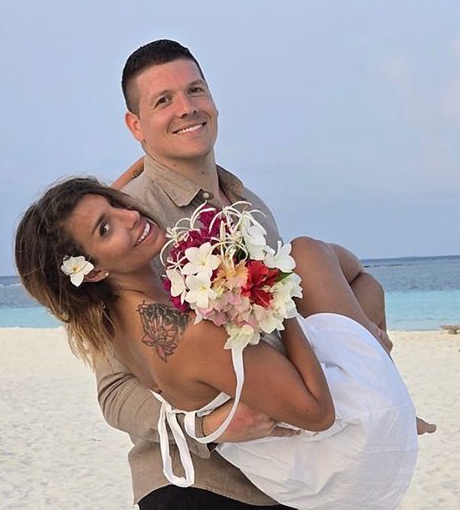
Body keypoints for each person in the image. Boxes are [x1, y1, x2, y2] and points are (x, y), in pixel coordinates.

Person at [97, 39, 433, 508]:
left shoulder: (249, 205)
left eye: (196, 90)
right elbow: (115, 391)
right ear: (136, 125)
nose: (187, 108)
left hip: (294, 476)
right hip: (196, 483)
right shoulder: (133, 224)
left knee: (346, 274)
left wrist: (369, 359)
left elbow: (297, 318)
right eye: (163, 100)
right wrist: (207, 426)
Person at [14, 177, 420, 509]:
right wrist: (280, 298)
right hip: (344, 453)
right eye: (106, 228)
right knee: (309, 253)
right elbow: (318, 415)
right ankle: (383, 378)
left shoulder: (113, 323)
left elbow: (94, 226)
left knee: (360, 283)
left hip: (290, 467)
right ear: (92, 271)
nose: (131, 216)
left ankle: (376, 362)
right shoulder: (189, 333)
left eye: (118, 204)